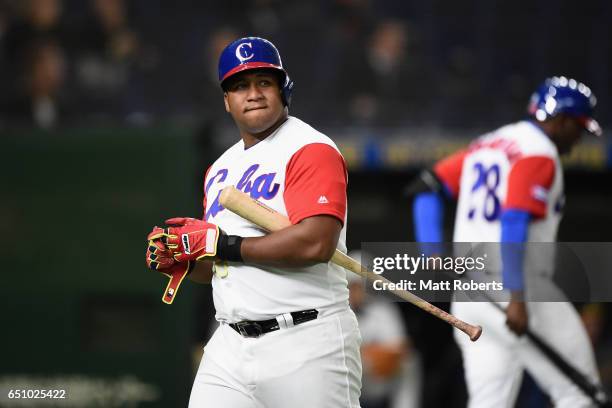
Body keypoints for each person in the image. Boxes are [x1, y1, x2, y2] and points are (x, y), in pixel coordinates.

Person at [145, 36, 362, 408]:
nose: (253, 93)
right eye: (240, 85)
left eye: (264, 82)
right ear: (226, 101)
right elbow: (215, 267)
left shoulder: (310, 149)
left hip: (307, 340)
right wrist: (186, 258)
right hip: (229, 344)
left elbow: (316, 243)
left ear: (283, 88)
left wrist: (222, 245)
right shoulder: (220, 168)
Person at [409, 76, 602, 407]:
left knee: (489, 403)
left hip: (470, 294)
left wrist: (432, 252)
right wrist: (516, 297)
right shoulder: (538, 151)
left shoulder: (489, 143)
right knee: (581, 394)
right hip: (520, 290)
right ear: (562, 120)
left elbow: (426, 188)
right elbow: (514, 220)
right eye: (579, 127)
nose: (579, 137)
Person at [347, 251, 421, 408]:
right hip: (349, 384)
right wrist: (366, 355)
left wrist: (366, 355)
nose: (359, 290)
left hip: (377, 383)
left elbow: (398, 349)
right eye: (355, 284)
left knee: (410, 362)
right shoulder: (337, 312)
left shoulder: (383, 310)